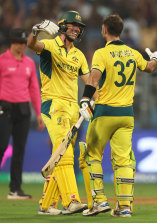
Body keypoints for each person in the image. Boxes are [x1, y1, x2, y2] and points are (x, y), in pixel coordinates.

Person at [79, 14, 157, 217]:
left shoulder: (101, 53)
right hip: (126, 115)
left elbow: (93, 79)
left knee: (92, 155)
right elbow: (150, 67)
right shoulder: (132, 53)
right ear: (121, 31)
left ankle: (99, 202)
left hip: (105, 112)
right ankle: (124, 207)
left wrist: (84, 100)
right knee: (123, 160)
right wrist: (156, 58)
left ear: (104, 30)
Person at [27, 11, 91, 215]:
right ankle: (71, 200)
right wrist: (36, 30)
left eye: (79, 27)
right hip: (54, 105)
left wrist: (90, 102)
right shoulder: (50, 45)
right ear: (62, 26)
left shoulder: (79, 55)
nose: (77, 29)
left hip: (73, 109)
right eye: (73, 25)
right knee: (65, 153)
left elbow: (89, 83)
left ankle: (46, 206)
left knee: (60, 155)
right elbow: (31, 45)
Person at [0, 28, 45, 199]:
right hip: (4, 108)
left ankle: (15, 189)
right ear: (12, 42)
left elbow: (34, 88)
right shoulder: (2, 60)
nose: (21, 46)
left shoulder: (29, 63)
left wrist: (39, 114)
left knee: (19, 150)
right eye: (18, 43)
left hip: (23, 110)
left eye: (23, 43)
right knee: (1, 146)